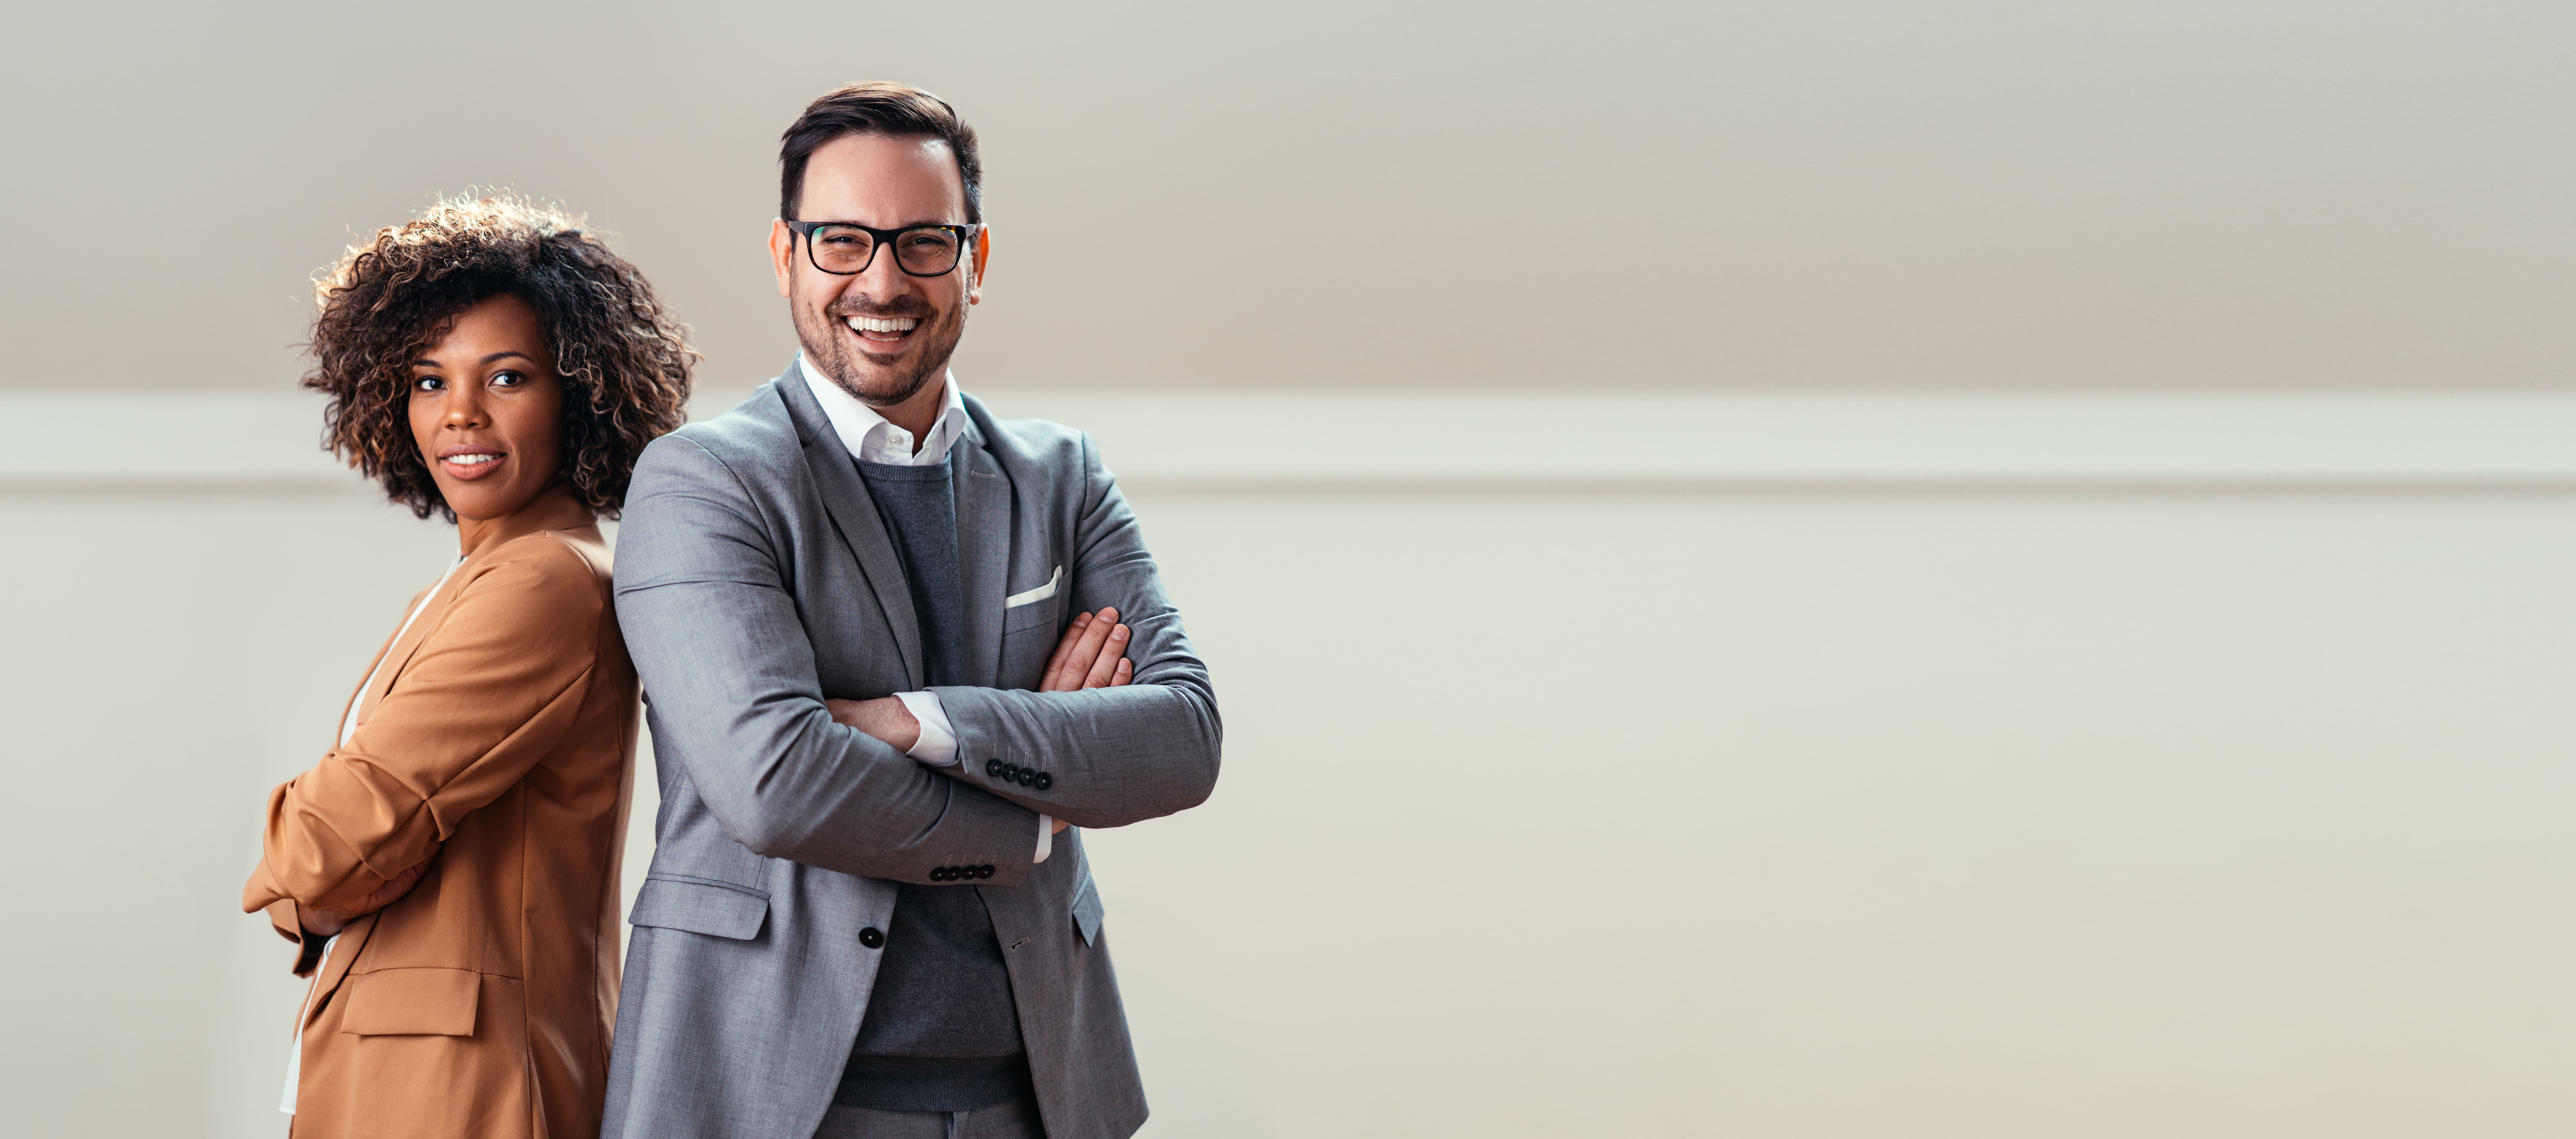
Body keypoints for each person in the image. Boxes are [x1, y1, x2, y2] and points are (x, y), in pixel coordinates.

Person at [602, 82, 1221, 1139]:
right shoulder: (702, 483)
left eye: (924, 242)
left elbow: (1182, 740)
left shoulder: (1061, 477)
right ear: (785, 254)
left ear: (975, 263)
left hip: (1040, 1100)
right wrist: (1039, 807)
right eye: (842, 240)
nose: (883, 280)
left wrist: (915, 720)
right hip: (771, 1099)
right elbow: (776, 784)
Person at [240, 196, 694, 1139]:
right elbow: (345, 849)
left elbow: (326, 843)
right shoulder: (479, 578)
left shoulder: (543, 582)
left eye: (508, 377)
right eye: (426, 380)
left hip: (469, 1084)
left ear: (580, 392)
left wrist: (308, 872)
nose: (460, 416)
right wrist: (321, 883)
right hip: (409, 1063)